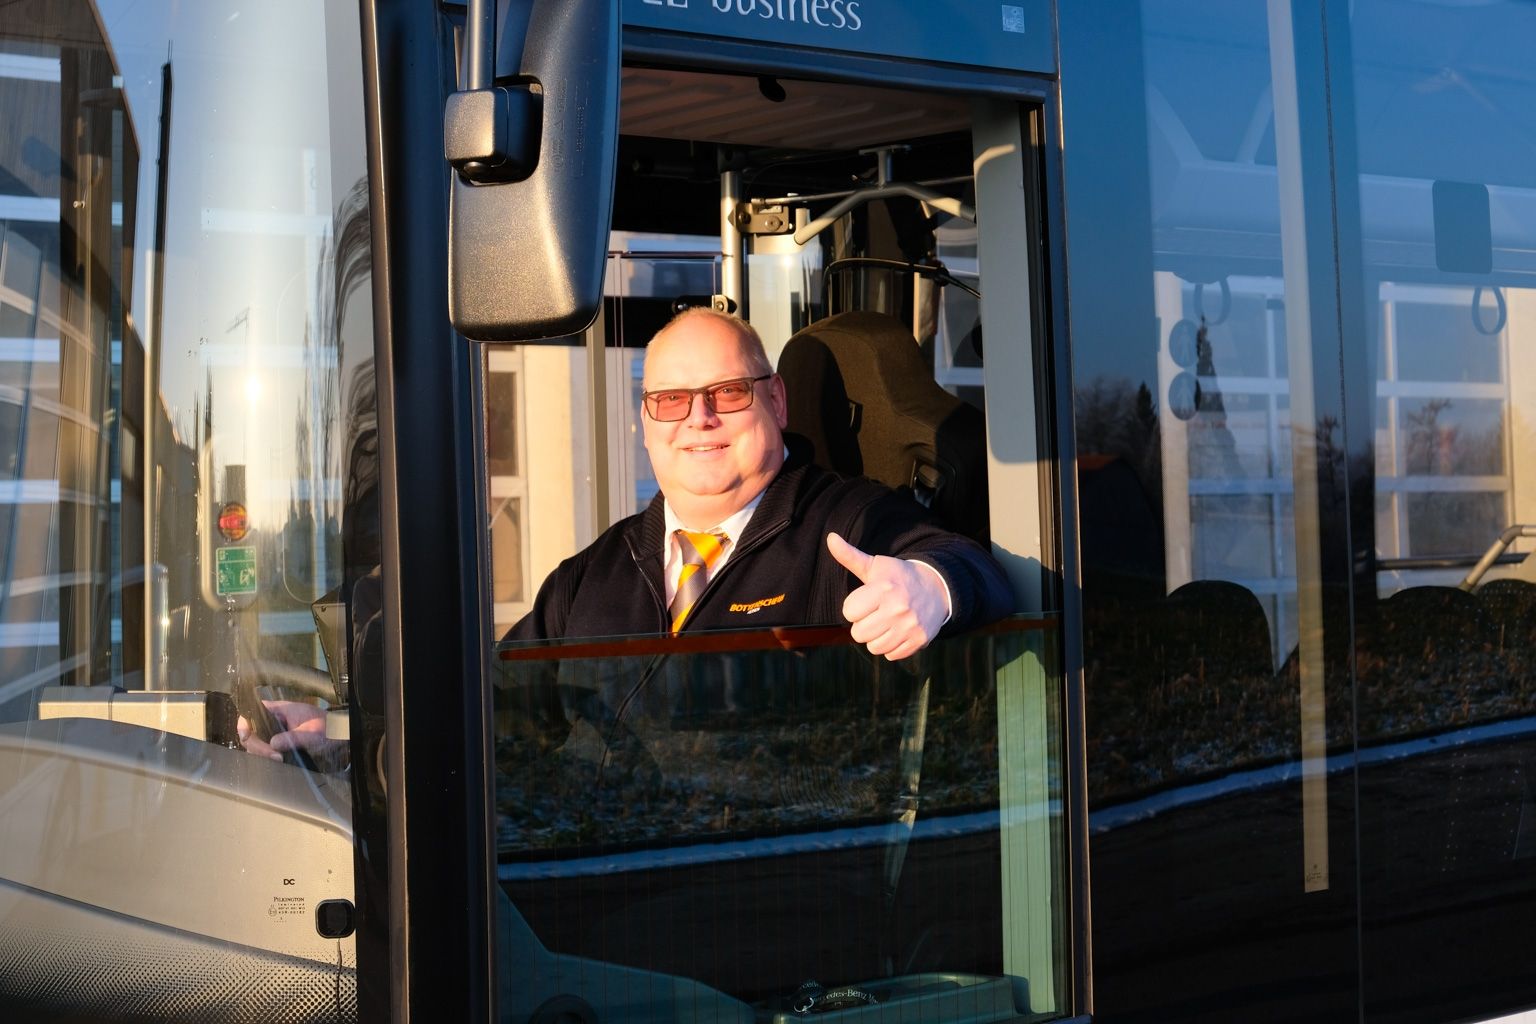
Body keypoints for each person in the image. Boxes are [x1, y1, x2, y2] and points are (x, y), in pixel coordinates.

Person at [508, 307, 1012, 656]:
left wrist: (933, 588)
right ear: (645, 422)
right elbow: (503, 713)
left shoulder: (845, 527)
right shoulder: (590, 573)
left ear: (776, 402)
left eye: (727, 392)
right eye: (670, 399)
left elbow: (973, 568)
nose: (698, 418)